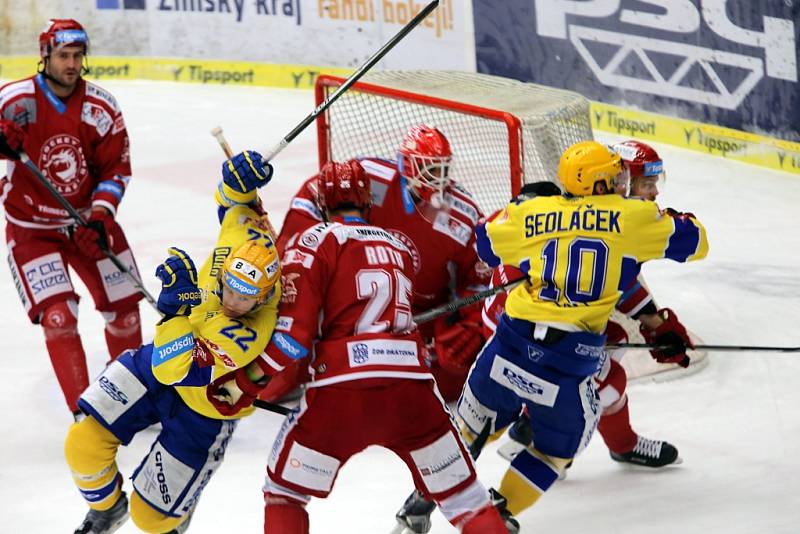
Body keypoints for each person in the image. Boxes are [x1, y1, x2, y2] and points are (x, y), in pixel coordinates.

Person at [227, 159, 507, 534]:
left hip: (341, 393)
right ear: (369, 203)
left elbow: (292, 339)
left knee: (284, 493)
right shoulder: (398, 248)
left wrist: (243, 382)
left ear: (323, 204)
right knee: (467, 501)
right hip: (413, 389)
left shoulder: (311, 241)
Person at [454, 140, 708, 524]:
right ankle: (523, 446)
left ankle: (441, 474)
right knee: (596, 393)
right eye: (632, 179)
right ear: (606, 183)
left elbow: (620, 278)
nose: (645, 189)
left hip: (515, 337)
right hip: (545, 341)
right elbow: (695, 241)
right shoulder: (629, 218)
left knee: (476, 422)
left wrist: (654, 323)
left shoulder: (539, 210)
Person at [63, 151, 283, 533]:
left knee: (152, 520)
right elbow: (232, 202)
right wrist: (239, 182)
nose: (231, 301)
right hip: (155, 364)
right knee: (82, 444)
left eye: (244, 298)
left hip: (205, 408)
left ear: (262, 299)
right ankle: (108, 510)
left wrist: (176, 311)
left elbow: (176, 369)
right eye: (228, 287)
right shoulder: (243, 241)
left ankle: (174, 513)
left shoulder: (248, 331)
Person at [494, 141, 695, 469]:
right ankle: (539, 437)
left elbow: (619, 280)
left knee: (612, 338)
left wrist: (655, 323)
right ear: (621, 181)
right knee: (608, 378)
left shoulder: (594, 214)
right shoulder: (597, 220)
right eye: (646, 183)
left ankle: (612, 442)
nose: (655, 192)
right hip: (519, 327)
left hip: (534, 323)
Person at [266, 124, 490, 404]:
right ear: (407, 166)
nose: (440, 178)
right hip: (345, 302)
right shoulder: (372, 177)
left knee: (454, 369)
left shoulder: (462, 213)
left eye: (444, 168)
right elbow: (311, 196)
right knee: (289, 347)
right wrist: (301, 243)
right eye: (431, 169)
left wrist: (471, 322)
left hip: (418, 315)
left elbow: (480, 278)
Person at [0, 19, 142, 419]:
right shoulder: (14, 100)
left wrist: (100, 217)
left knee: (126, 313)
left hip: (87, 223)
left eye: (78, 55)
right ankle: (87, 415)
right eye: (64, 55)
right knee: (59, 318)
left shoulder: (101, 107)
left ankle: (131, 401)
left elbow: (117, 168)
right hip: (32, 228)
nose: (72, 63)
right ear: (45, 56)